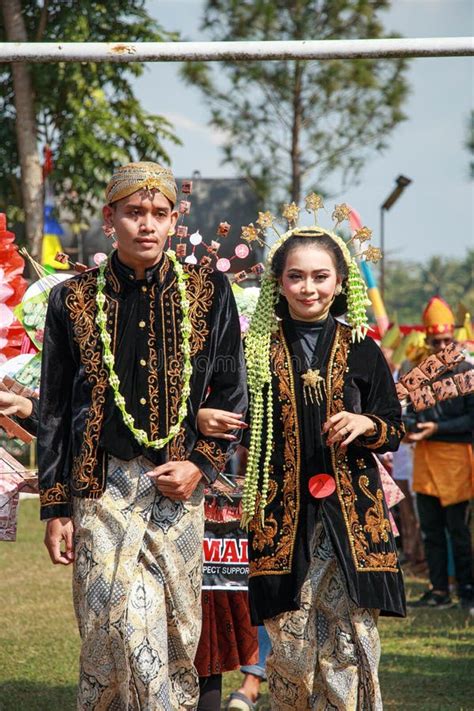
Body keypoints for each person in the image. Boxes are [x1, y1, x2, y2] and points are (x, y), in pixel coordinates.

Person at [37, 161, 247, 710]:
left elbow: (230, 389)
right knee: (113, 624)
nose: (146, 224)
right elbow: (56, 408)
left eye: (159, 213)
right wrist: (56, 506)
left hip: (177, 487)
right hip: (101, 484)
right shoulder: (71, 301)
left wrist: (200, 464)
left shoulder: (208, 291)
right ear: (110, 220)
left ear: (174, 220)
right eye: (134, 212)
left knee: (176, 631)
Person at [200, 217, 406, 710]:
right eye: (296, 276)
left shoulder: (363, 349)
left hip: (351, 522)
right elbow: (219, 404)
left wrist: (365, 425)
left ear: (340, 282)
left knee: (347, 652)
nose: (308, 287)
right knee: (289, 653)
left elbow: (393, 425)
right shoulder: (252, 351)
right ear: (278, 282)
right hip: (280, 521)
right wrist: (203, 416)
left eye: (320, 276)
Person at [408, 296, 474, 609]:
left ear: (455, 338)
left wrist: (438, 429)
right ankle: (439, 591)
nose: (442, 347)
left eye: (447, 341)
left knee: (459, 531)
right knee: (431, 530)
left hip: (457, 460)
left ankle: (467, 590)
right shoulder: (420, 372)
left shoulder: (468, 372)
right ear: (428, 340)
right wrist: (408, 429)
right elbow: (403, 411)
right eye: (436, 342)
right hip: (424, 458)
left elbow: (471, 420)